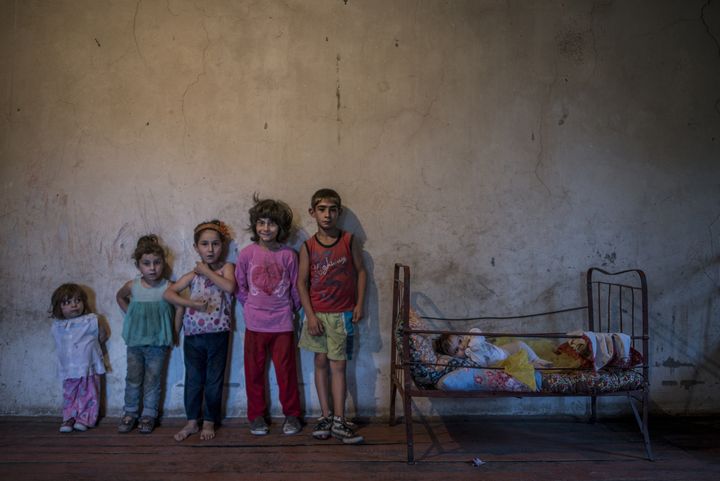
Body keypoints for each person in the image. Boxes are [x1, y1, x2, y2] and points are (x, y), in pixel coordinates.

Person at [297, 188, 367, 444]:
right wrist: (311, 316)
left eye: (332, 209)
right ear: (312, 212)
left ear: (339, 212)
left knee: (339, 366)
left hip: (341, 315)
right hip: (317, 316)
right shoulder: (308, 246)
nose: (327, 215)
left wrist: (359, 304)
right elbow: (301, 284)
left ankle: (339, 419)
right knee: (320, 364)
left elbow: (361, 272)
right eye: (322, 209)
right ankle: (325, 416)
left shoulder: (349, 240)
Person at [235, 195, 303, 436]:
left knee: (286, 373)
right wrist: (252, 306)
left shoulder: (288, 255)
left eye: (271, 223)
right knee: (253, 372)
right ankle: (256, 416)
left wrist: (289, 310)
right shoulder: (246, 254)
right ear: (255, 225)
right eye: (261, 222)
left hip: (282, 324)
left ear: (281, 228)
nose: (265, 228)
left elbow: (296, 288)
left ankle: (292, 416)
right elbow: (240, 287)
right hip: (254, 324)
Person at [164, 220, 236, 442]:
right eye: (205, 244)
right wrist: (191, 304)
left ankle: (209, 421)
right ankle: (192, 421)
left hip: (218, 335)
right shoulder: (192, 275)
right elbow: (168, 293)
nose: (211, 249)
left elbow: (230, 287)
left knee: (214, 380)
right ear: (196, 247)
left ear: (222, 246)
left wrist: (206, 270)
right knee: (194, 380)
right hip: (193, 336)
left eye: (215, 244)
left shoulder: (226, 268)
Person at [116, 235, 182, 434]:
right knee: (133, 378)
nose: (152, 268)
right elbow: (119, 297)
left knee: (153, 379)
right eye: (146, 263)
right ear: (138, 266)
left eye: (157, 262)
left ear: (163, 263)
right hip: (135, 343)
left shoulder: (168, 287)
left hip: (158, 344)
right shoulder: (132, 286)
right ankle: (130, 412)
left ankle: (149, 414)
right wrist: (132, 317)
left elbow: (180, 308)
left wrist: (175, 332)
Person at [50, 283, 107, 433]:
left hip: (89, 365)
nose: (74, 305)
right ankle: (69, 417)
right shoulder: (58, 325)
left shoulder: (91, 320)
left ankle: (85, 418)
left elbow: (102, 336)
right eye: (67, 302)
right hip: (69, 367)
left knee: (90, 392)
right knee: (70, 393)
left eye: (78, 300)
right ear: (59, 307)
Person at [439, 328, 553, 368]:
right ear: (453, 357)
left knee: (519, 344)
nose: (461, 347)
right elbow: (481, 363)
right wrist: (470, 349)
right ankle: (534, 365)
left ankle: (537, 359)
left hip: (499, 351)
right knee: (520, 365)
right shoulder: (469, 361)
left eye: (459, 341)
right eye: (456, 350)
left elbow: (476, 331)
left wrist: (470, 341)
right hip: (500, 363)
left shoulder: (471, 338)